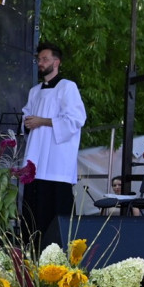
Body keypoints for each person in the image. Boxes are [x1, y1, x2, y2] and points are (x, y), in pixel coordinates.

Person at [20, 42, 87, 242]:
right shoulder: (34, 91)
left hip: (57, 163)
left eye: (45, 59)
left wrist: (42, 121)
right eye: (39, 59)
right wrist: (28, 123)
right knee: (33, 215)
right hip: (36, 160)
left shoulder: (68, 87)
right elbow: (26, 117)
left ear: (56, 62)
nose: (40, 63)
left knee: (56, 215)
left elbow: (75, 119)